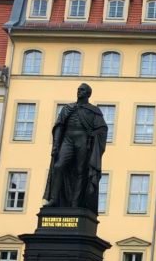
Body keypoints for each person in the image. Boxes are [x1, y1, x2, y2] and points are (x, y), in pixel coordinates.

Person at [44, 82, 109, 212]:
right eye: (78, 89)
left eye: (82, 90)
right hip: (67, 139)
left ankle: (75, 202)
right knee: (58, 166)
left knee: (81, 171)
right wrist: (56, 144)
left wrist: (93, 134)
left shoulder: (93, 111)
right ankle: (54, 199)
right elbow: (59, 126)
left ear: (88, 94)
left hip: (82, 140)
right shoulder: (68, 108)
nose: (79, 91)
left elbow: (102, 128)